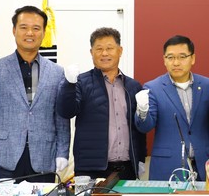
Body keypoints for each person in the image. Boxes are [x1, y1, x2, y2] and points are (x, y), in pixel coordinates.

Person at [0, 6, 70, 182]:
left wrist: (62, 152)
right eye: (24, 27)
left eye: (36, 28)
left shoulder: (57, 72)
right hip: (5, 156)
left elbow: (61, 117)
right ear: (14, 30)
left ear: (43, 32)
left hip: (43, 157)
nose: (29, 33)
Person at [57, 27, 146, 180]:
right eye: (99, 49)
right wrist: (69, 84)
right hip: (91, 170)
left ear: (120, 51)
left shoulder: (133, 86)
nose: (104, 53)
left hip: (127, 169)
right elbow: (66, 111)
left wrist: (141, 157)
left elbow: (138, 129)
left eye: (109, 48)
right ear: (91, 52)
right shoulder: (80, 82)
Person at [134, 35, 209, 181]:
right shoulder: (153, 88)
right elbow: (145, 127)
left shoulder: (207, 85)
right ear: (164, 60)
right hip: (168, 166)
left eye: (182, 57)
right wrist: (142, 111)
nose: (176, 62)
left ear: (192, 58)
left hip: (204, 164)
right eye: (170, 57)